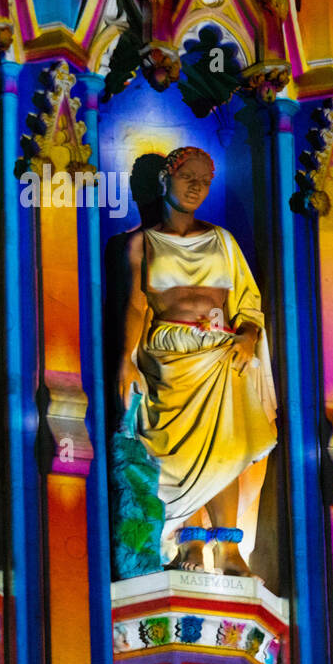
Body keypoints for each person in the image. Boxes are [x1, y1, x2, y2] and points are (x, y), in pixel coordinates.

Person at [115, 147, 277, 575]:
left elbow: (249, 302)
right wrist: (125, 361)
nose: (195, 186)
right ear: (165, 179)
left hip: (220, 352)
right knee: (175, 452)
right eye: (187, 176)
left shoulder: (223, 241)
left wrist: (248, 336)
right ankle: (188, 543)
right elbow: (136, 305)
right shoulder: (141, 243)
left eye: (204, 180)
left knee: (223, 449)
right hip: (169, 356)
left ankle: (227, 548)